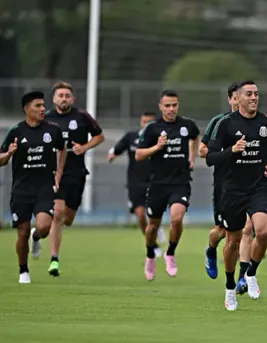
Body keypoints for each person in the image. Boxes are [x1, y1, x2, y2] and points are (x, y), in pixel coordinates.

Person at [206, 80, 267, 311]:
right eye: (249, 94)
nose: (254, 97)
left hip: (258, 187)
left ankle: (251, 273)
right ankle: (229, 288)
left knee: (263, 230)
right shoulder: (226, 125)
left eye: (256, 94)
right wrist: (232, 151)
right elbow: (210, 158)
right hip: (232, 191)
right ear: (238, 98)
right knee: (232, 241)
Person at [30, 81, 104, 277]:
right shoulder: (45, 119)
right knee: (58, 213)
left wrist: (85, 147)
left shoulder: (82, 116)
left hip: (76, 173)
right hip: (53, 174)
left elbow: (99, 136)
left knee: (67, 219)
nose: (63, 99)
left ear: (73, 99)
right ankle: (54, 260)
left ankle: (36, 235)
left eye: (67, 96)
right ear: (53, 99)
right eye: (60, 95)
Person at [0, 91, 66, 283]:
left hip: (44, 188)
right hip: (21, 190)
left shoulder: (52, 130)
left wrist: (59, 173)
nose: (42, 109)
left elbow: (62, 149)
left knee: (44, 227)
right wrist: (8, 154)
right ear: (26, 109)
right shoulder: (16, 132)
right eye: (37, 106)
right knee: (21, 230)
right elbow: (1, 160)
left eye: (43, 105)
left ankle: (36, 237)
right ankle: (23, 271)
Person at [136, 90, 200, 281]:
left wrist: (192, 157)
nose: (171, 109)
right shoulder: (152, 128)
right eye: (167, 105)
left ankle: (170, 253)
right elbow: (139, 155)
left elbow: (196, 137)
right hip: (158, 184)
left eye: (174, 105)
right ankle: (150, 255)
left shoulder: (187, 125)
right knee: (153, 225)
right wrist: (156, 147)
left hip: (180, 182)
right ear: (160, 107)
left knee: (176, 219)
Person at [108, 112, 166, 256]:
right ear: (140, 122)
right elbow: (116, 149)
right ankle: (152, 244)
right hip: (135, 182)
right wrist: (112, 154)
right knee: (140, 215)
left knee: (155, 213)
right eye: (144, 121)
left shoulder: (160, 139)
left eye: (149, 122)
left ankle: (156, 228)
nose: (146, 124)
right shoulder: (131, 137)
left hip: (155, 181)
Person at [199, 82, 240, 279]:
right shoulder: (219, 121)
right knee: (222, 231)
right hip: (224, 182)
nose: (240, 101)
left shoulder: (255, 122)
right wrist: (229, 152)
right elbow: (203, 151)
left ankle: (243, 277)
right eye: (236, 98)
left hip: (249, 182)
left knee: (247, 229)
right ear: (230, 99)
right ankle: (210, 249)